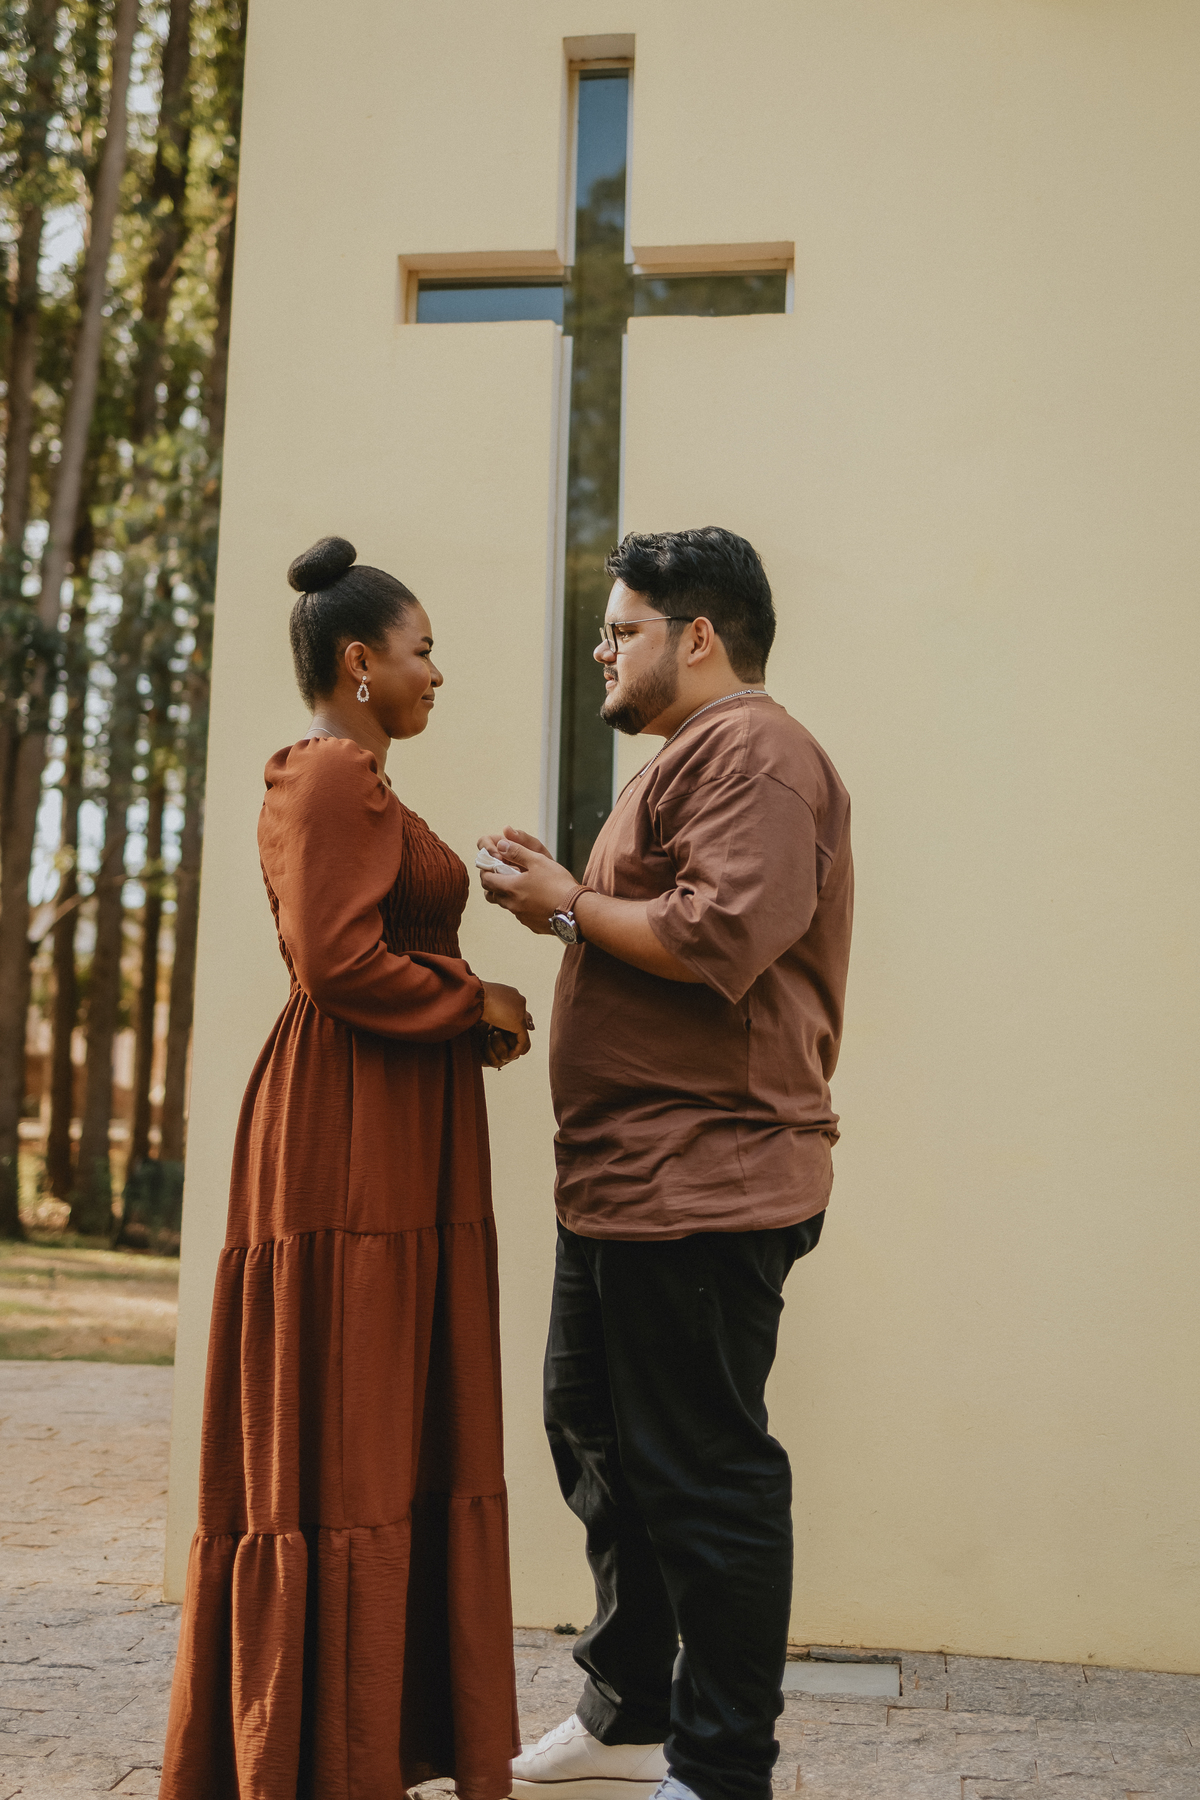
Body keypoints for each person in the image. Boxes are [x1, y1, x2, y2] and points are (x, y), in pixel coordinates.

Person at [478, 527, 853, 1800]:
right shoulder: (693, 757)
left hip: (708, 1181)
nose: (604, 649)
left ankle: (722, 1767)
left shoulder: (758, 752)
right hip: (627, 1185)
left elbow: (716, 938)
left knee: (704, 1475)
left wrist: (562, 903)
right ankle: (629, 1715)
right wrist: (561, 896)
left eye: (622, 629)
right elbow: (655, 925)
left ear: (697, 636)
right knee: (598, 1438)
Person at [161, 536, 530, 1800]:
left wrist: (469, 998)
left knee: (391, 1428)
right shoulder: (325, 772)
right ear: (360, 662)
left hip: (401, 1128)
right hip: (349, 1137)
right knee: (351, 1426)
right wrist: (473, 999)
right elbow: (334, 962)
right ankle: (318, 1755)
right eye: (423, 651)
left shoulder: (366, 783)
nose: (439, 672)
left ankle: (366, 1739)